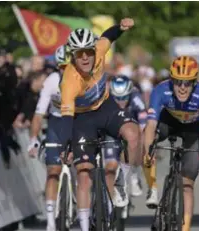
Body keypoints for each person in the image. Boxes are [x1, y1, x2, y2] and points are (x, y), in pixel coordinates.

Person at [60, 18, 142, 231]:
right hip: (82, 118)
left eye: (88, 51)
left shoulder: (99, 50)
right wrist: (67, 144)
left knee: (133, 135)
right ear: (73, 56)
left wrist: (121, 28)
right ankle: (86, 226)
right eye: (79, 54)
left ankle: (123, 182)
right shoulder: (69, 81)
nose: (85, 57)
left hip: (106, 107)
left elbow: (109, 36)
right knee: (84, 173)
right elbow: (67, 118)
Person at [144, 56, 199, 231]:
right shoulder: (160, 90)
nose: (182, 88)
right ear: (171, 80)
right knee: (146, 138)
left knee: (187, 183)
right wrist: (147, 152)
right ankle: (152, 188)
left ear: (194, 82)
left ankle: (185, 228)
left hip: (193, 130)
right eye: (178, 82)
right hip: (169, 123)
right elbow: (151, 125)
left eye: (187, 83)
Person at [27, 44, 71, 231]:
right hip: (57, 123)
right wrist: (33, 139)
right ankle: (51, 220)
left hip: (78, 123)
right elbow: (38, 114)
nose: (65, 70)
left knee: (85, 168)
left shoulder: (85, 79)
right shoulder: (52, 81)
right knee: (53, 170)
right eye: (61, 66)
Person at [105, 75, 147, 206]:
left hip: (132, 129)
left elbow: (143, 122)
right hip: (113, 132)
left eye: (124, 98)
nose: (120, 102)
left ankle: (134, 173)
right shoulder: (106, 99)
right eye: (117, 98)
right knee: (110, 167)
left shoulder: (136, 98)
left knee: (139, 140)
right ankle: (109, 200)